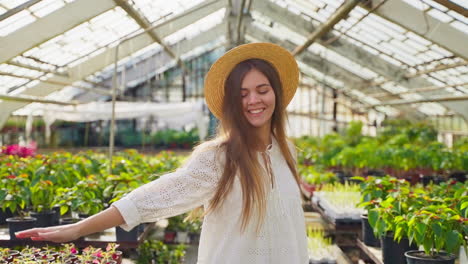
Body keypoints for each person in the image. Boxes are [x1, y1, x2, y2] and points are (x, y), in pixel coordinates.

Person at [16, 42, 309, 263]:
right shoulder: (219, 158)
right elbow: (153, 198)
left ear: (276, 94)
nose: (254, 100)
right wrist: (78, 228)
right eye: (242, 94)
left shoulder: (287, 153)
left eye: (262, 89)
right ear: (232, 102)